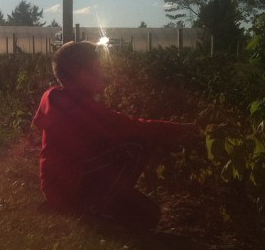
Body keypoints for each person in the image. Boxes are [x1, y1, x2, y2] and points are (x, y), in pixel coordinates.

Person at [32, 40, 193, 231]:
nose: (103, 73)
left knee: (150, 214)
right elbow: (127, 126)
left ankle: (100, 204)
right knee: (138, 143)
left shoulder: (55, 97)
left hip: (60, 187)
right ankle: (95, 208)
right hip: (70, 189)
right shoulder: (75, 105)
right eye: (98, 67)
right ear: (82, 74)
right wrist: (183, 130)